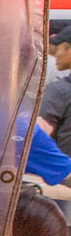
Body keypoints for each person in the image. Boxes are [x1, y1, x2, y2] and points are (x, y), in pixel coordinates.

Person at [39, 25, 71, 156]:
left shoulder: (59, 91)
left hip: (61, 171)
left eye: (58, 49)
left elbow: (39, 136)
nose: (56, 55)